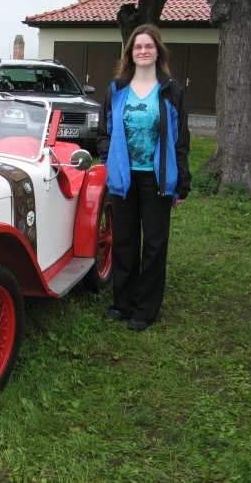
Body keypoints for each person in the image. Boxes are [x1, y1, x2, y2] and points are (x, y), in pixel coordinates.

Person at [96, 24, 191, 332]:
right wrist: (109, 158)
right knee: (123, 242)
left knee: (153, 244)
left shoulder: (171, 90)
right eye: (138, 47)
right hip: (124, 178)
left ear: (157, 51)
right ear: (130, 53)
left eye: (149, 46)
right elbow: (104, 132)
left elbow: (181, 139)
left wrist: (182, 184)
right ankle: (122, 304)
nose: (143, 51)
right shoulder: (116, 89)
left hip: (157, 179)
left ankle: (145, 309)